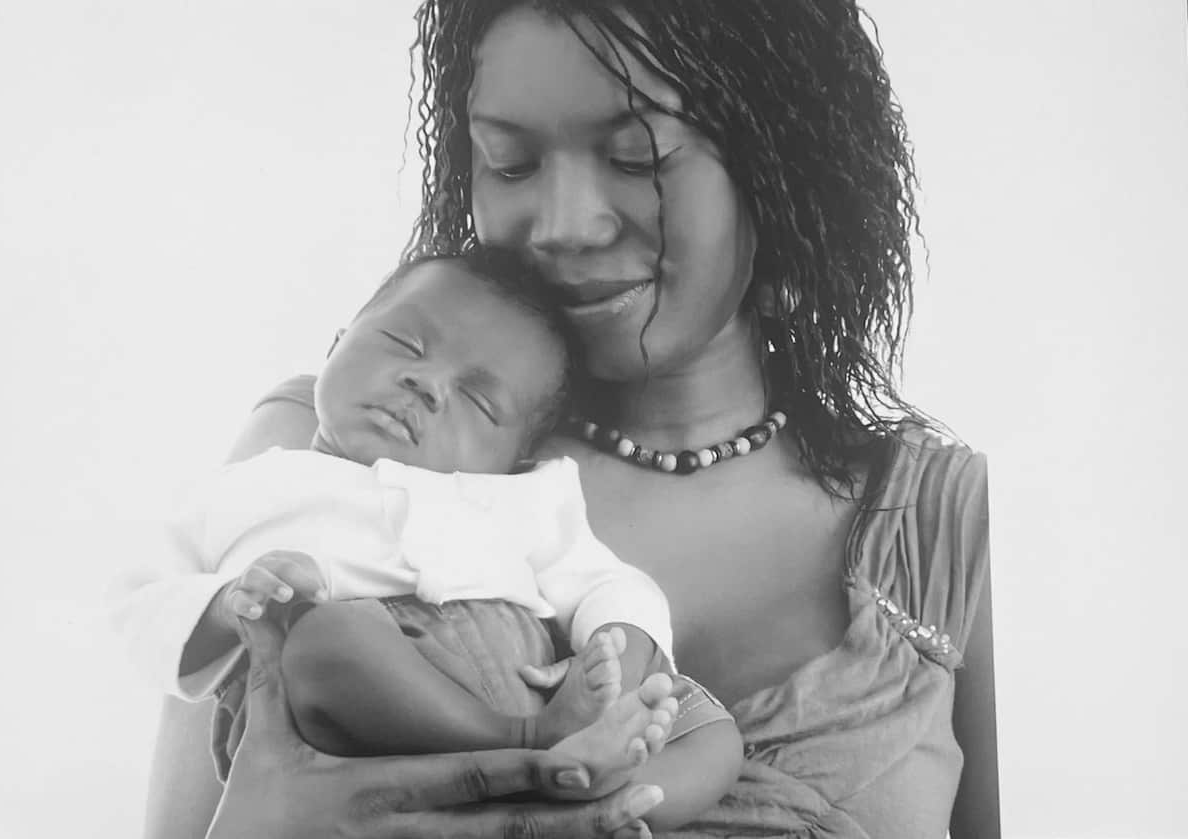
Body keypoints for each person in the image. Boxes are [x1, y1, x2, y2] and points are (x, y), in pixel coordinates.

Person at [143, 2, 998, 837]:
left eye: (636, 157)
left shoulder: (940, 524)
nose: (564, 227)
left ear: (781, 170)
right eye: (511, 163)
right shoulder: (324, 443)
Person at [116, 249, 743, 830]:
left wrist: (618, 647)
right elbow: (141, 599)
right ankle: (528, 751)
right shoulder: (251, 485)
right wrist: (229, 604)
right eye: (405, 344)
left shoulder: (523, 497)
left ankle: (606, 801)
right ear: (335, 345)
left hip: (520, 673)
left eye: (479, 400)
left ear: (513, 457)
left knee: (709, 730)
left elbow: (608, 581)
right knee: (321, 637)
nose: (428, 384)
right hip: (352, 700)